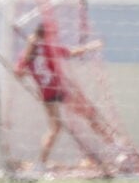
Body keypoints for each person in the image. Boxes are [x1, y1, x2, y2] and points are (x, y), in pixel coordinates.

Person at [14, 21, 101, 173]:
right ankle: (111, 148)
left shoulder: (26, 55)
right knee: (89, 114)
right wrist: (91, 46)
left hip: (47, 94)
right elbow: (72, 52)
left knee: (55, 129)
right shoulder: (48, 48)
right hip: (59, 89)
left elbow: (18, 73)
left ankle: (40, 163)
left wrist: (34, 75)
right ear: (45, 34)